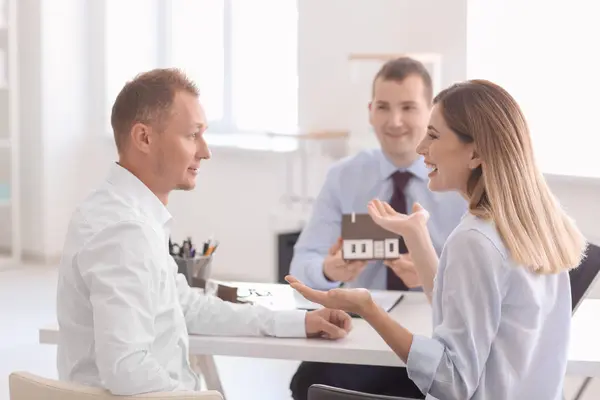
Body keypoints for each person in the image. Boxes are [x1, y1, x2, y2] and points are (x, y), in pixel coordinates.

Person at [55, 68, 352, 396]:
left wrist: (298, 322)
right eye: (192, 135)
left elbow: (188, 306)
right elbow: (127, 369)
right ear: (144, 138)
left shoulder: (125, 214)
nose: (205, 150)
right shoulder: (124, 230)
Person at [286, 79, 587, 400]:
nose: (420, 148)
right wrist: (416, 234)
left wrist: (369, 309)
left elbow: (451, 382)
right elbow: (464, 315)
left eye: (433, 135)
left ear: (475, 154)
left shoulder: (475, 239)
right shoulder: (534, 224)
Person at [288, 58, 466, 399]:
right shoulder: (343, 176)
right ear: (370, 111)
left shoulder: (458, 183)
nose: (395, 121)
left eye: (408, 108)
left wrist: (433, 275)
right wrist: (328, 270)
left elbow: (481, 283)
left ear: (430, 113)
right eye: (383, 107)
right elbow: (301, 267)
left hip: (435, 336)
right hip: (362, 334)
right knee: (308, 384)